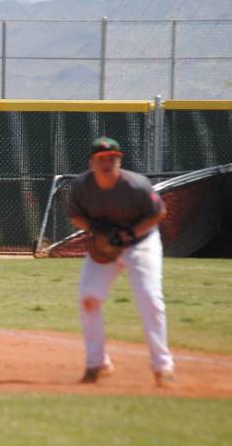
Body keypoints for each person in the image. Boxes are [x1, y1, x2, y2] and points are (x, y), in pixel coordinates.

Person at [67, 137, 175, 388]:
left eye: (112, 158)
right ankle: (97, 364)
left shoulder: (136, 185)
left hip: (141, 242)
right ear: (91, 163)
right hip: (106, 246)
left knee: (149, 298)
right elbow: (75, 216)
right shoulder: (82, 186)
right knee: (89, 297)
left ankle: (163, 367)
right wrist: (96, 229)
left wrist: (130, 234)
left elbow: (159, 213)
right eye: (102, 159)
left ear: (119, 160)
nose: (107, 163)